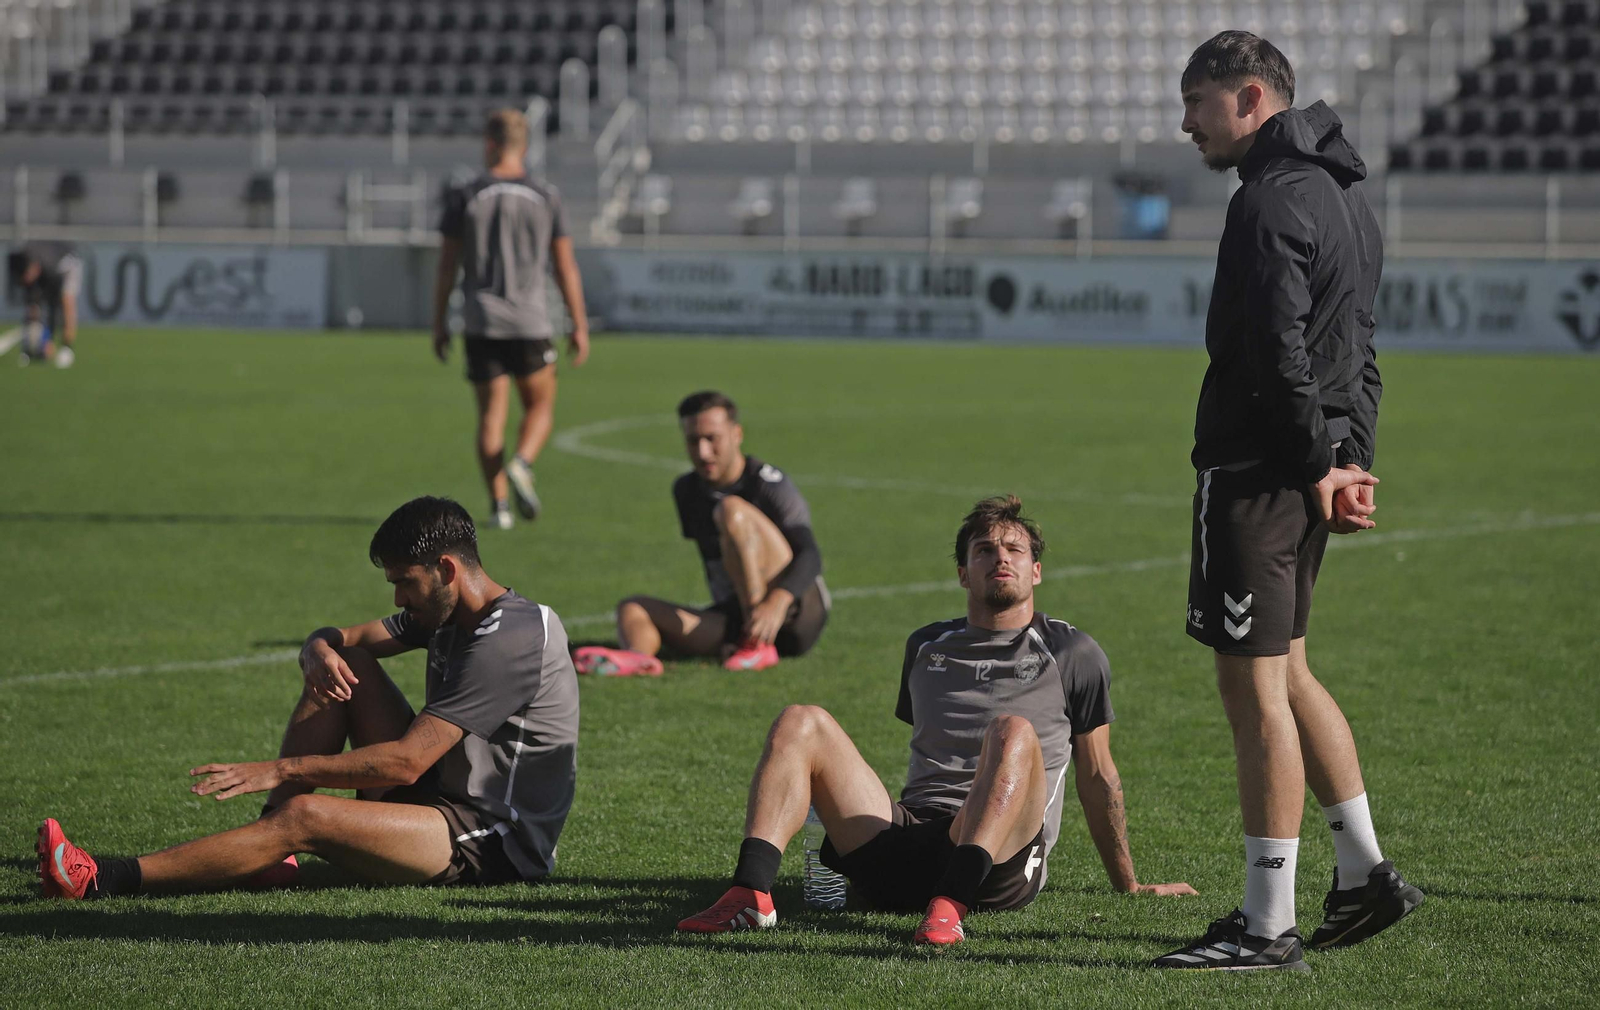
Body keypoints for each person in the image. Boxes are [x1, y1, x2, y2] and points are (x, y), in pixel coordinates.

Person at [1156, 32, 1423, 973]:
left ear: (1252, 97)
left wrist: (1317, 464)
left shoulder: (1269, 200)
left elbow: (1279, 354)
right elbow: (1364, 347)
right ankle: (1365, 872)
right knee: (1293, 672)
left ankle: (1266, 925)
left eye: (1197, 101)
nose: (1184, 121)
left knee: (1255, 692)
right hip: (1308, 472)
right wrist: (1349, 462)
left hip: (1259, 475)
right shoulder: (1345, 192)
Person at [675, 496, 1195, 945]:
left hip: (1000, 862)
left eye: (1015, 550)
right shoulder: (925, 646)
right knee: (801, 720)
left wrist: (1127, 883)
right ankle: (751, 893)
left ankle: (951, 905)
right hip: (911, 837)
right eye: (984, 551)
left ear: (1036, 570)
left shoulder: (1074, 651)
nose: (1001, 560)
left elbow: (1098, 773)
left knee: (1011, 730)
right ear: (963, 573)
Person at [37, 496, 579, 899]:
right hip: (439, 803)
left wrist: (281, 768)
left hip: (491, 843)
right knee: (351, 667)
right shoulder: (447, 610)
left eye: (404, 582)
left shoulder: (509, 638)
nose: (397, 598)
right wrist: (316, 646)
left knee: (305, 815)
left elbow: (408, 762)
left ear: (446, 570)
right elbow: (349, 639)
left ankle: (100, 879)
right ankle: (271, 859)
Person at [574, 391, 831, 676]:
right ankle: (637, 659)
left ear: (737, 434)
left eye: (712, 438)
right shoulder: (686, 490)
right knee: (633, 609)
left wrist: (777, 602)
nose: (702, 452)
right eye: (693, 441)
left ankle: (755, 645)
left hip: (794, 613)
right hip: (736, 617)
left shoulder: (769, 483)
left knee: (730, 510)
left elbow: (811, 554)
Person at [432, 109, 590, 531]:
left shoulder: (465, 194)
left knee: (490, 418)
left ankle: (499, 506)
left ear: (489, 143)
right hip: (531, 319)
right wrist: (579, 322)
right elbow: (565, 266)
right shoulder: (545, 195)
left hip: (482, 320)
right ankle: (522, 463)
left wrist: (439, 322)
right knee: (540, 406)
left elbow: (447, 265)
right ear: (525, 145)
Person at [6, 241, 81, 367]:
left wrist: (48, 340)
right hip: (48, 263)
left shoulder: (49, 269)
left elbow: (53, 308)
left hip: (68, 264)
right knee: (34, 306)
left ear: (34, 268)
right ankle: (31, 347)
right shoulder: (24, 264)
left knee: (67, 300)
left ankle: (67, 347)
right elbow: (33, 305)